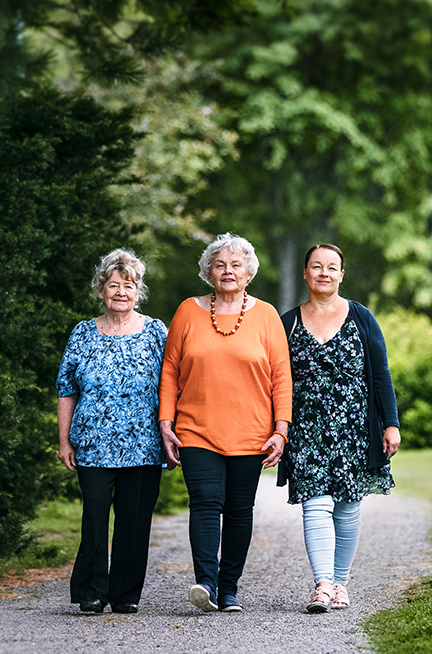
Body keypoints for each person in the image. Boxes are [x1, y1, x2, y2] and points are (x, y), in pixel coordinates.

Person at [159, 233, 292, 614]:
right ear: (208, 271)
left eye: (236, 265)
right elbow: (169, 370)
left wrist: (280, 429)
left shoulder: (266, 316)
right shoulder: (187, 311)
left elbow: (281, 377)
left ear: (249, 271)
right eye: (220, 265)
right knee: (204, 503)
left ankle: (229, 588)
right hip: (196, 429)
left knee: (238, 510)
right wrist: (166, 421)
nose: (228, 271)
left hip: (251, 433)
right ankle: (206, 583)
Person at [278, 244, 400, 614]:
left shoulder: (362, 317)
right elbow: (275, 379)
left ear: (341, 275)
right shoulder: (288, 322)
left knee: (347, 508)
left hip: (353, 431)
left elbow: (381, 375)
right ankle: (322, 585)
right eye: (316, 266)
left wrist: (391, 424)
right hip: (307, 431)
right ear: (305, 273)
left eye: (332, 267)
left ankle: (341, 583)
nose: (324, 273)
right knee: (315, 505)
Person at [56, 249, 168, 615]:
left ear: (138, 292)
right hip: (92, 442)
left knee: (135, 521)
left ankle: (124, 594)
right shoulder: (83, 332)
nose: (121, 292)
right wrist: (63, 440)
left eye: (129, 286)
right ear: (101, 291)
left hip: (144, 443)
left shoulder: (156, 332)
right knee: (94, 516)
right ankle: (92, 591)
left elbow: (173, 384)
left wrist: (171, 432)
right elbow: (66, 388)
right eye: (113, 285)